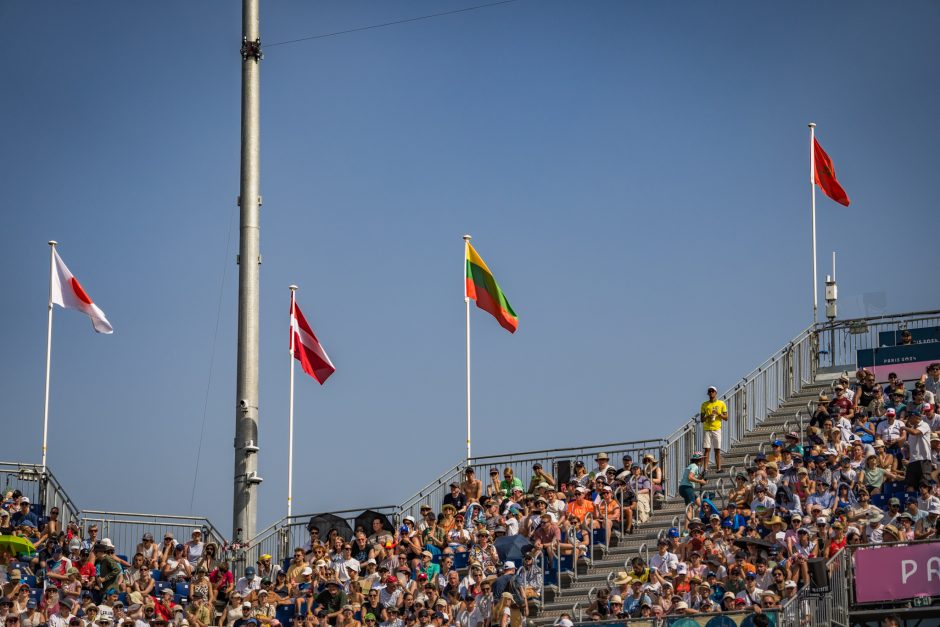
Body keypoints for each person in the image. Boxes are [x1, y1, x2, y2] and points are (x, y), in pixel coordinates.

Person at [700, 386, 728, 472]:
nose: (711, 393)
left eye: (713, 391)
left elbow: (726, 417)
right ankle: (705, 468)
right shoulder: (704, 404)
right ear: (708, 393)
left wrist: (718, 414)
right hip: (707, 428)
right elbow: (702, 419)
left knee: (717, 449)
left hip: (716, 428)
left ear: (716, 393)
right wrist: (708, 416)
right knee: (707, 449)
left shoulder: (721, 403)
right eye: (710, 391)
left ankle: (718, 468)